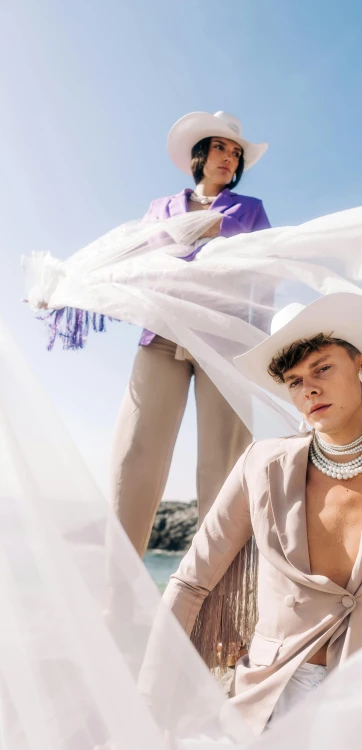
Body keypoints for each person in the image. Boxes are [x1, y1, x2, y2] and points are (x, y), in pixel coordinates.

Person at [160, 248, 362, 736]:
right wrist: (142, 706)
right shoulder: (262, 465)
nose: (309, 390)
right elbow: (191, 583)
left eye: (323, 368)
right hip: (269, 707)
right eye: (295, 381)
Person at [110, 110, 270, 559]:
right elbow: (128, 252)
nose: (230, 158)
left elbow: (270, 267)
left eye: (236, 153)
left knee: (224, 463)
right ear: (199, 155)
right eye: (221, 147)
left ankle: (216, 601)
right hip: (161, 332)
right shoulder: (160, 208)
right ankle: (119, 589)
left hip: (224, 338)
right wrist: (66, 284)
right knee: (136, 452)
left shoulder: (250, 209)